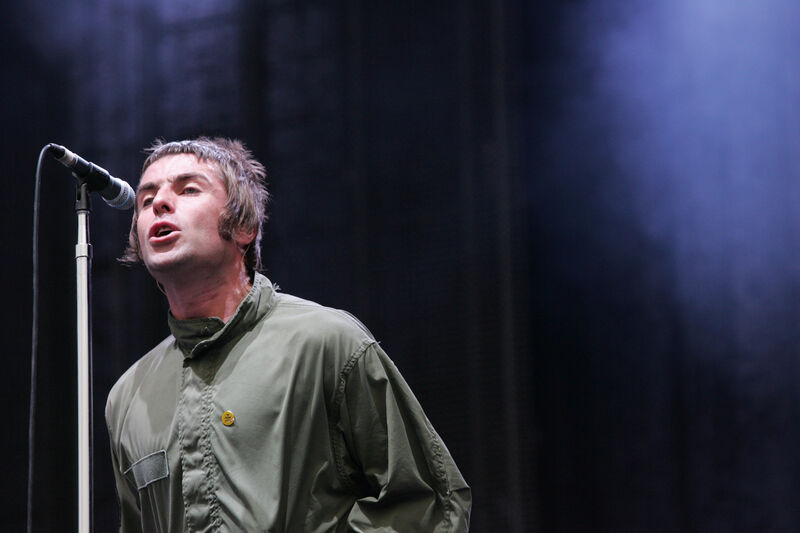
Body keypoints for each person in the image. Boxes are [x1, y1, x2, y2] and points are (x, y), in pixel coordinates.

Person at [105, 137, 472, 532]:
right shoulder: (128, 397)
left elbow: (428, 505)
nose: (159, 202)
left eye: (188, 189)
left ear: (244, 226)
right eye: (146, 199)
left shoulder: (327, 343)